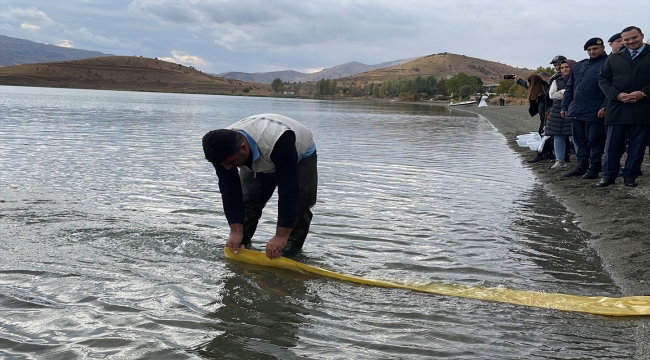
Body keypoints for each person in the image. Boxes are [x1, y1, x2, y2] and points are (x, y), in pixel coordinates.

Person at [202, 114, 318, 259]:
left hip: (299, 155)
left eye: (231, 162)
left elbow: (288, 190)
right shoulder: (220, 150)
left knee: (300, 202)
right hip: (257, 156)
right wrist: (235, 231)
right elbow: (229, 191)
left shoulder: (280, 140)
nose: (227, 168)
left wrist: (281, 235)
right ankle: (242, 242)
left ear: (243, 147)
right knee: (249, 201)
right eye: (223, 164)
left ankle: (290, 248)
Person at [597, 26, 650, 187]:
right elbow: (603, 79)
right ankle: (609, 175)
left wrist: (643, 93)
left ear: (641, 36)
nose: (631, 41)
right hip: (617, 107)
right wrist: (616, 95)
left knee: (637, 145)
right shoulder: (614, 57)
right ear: (622, 40)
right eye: (626, 39)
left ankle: (630, 176)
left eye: (634, 38)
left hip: (643, 107)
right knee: (612, 144)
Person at [560, 37, 608, 179]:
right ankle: (582, 165)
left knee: (595, 141)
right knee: (579, 140)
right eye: (589, 49)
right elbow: (570, 88)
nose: (592, 51)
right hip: (576, 110)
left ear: (603, 48)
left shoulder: (608, 64)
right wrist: (564, 106)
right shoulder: (579, 66)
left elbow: (612, 87)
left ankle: (594, 167)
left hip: (595, 110)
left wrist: (605, 106)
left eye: (595, 49)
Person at [545, 59, 577, 169]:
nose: (564, 69)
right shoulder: (556, 80)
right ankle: (559, 161)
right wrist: (567, 92)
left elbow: (577, 94)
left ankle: (582, 160)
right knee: (558, 137)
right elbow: (552, 95)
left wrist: (562, 92)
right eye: (562, 67)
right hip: (557, 111)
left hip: (574, 109)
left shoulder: (578, 79)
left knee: (576, 137)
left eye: (567, 67)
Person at [517, 74, 554, 162]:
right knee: (544, 134)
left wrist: (546, 123)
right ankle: (549, 153)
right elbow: (526, 85)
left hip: (547, 117)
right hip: (544, 117)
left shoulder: (546, 93)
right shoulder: (539, 90)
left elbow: (548, 110)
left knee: (542, 133)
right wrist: (518, 80)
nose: (527, 84)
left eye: (528, 82)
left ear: (534, 84)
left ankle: (540, 154)